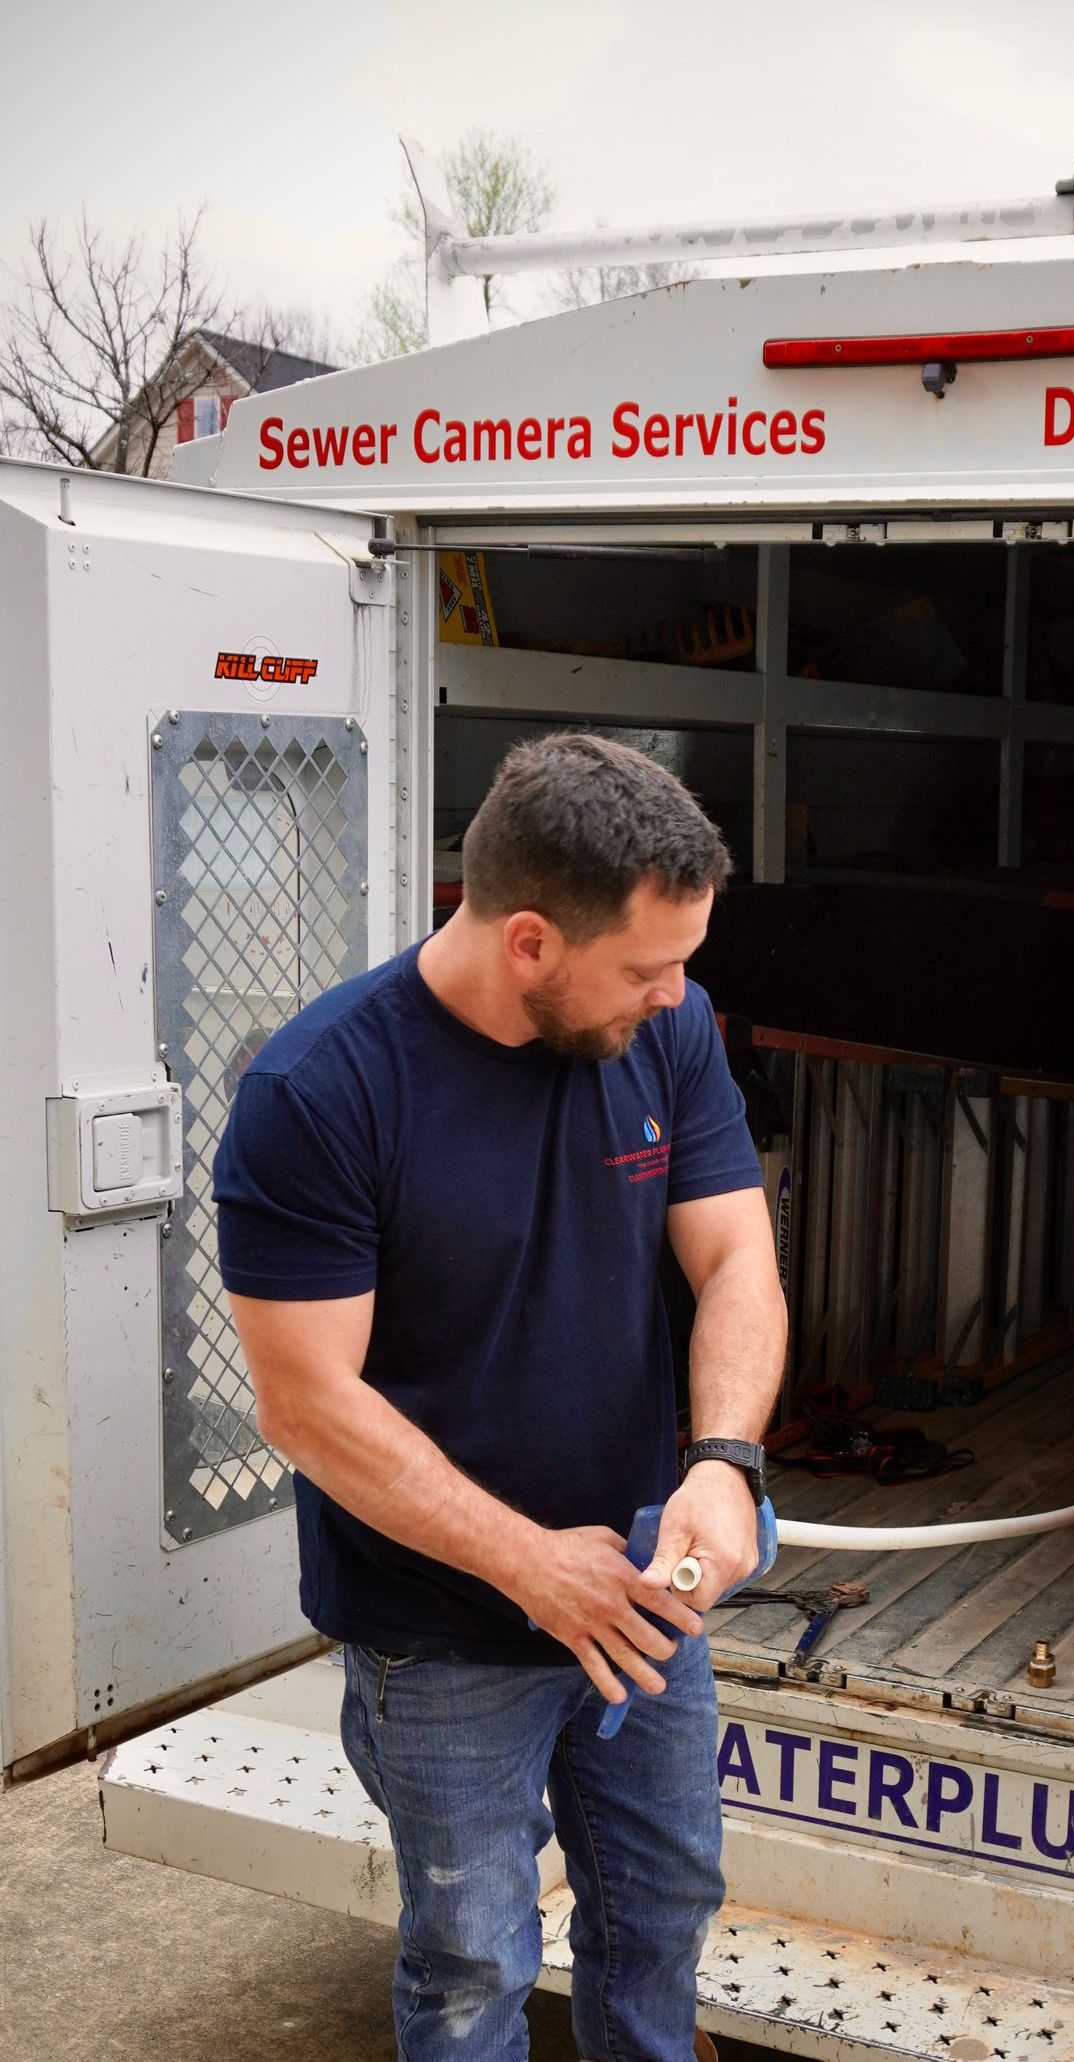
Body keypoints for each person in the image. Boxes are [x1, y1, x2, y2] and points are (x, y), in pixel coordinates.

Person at [214, 732, 785, 2062]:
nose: (676, 995)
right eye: (647, 966)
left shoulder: (672, 1028)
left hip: (646, 1589)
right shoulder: (322, 1091)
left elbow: (735, 1255)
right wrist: (531, 1564)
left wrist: (724, 1458)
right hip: (446, 1629)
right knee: (474, 1956)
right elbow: (303, 1404)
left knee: (663, 1905)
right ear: (529, 942)